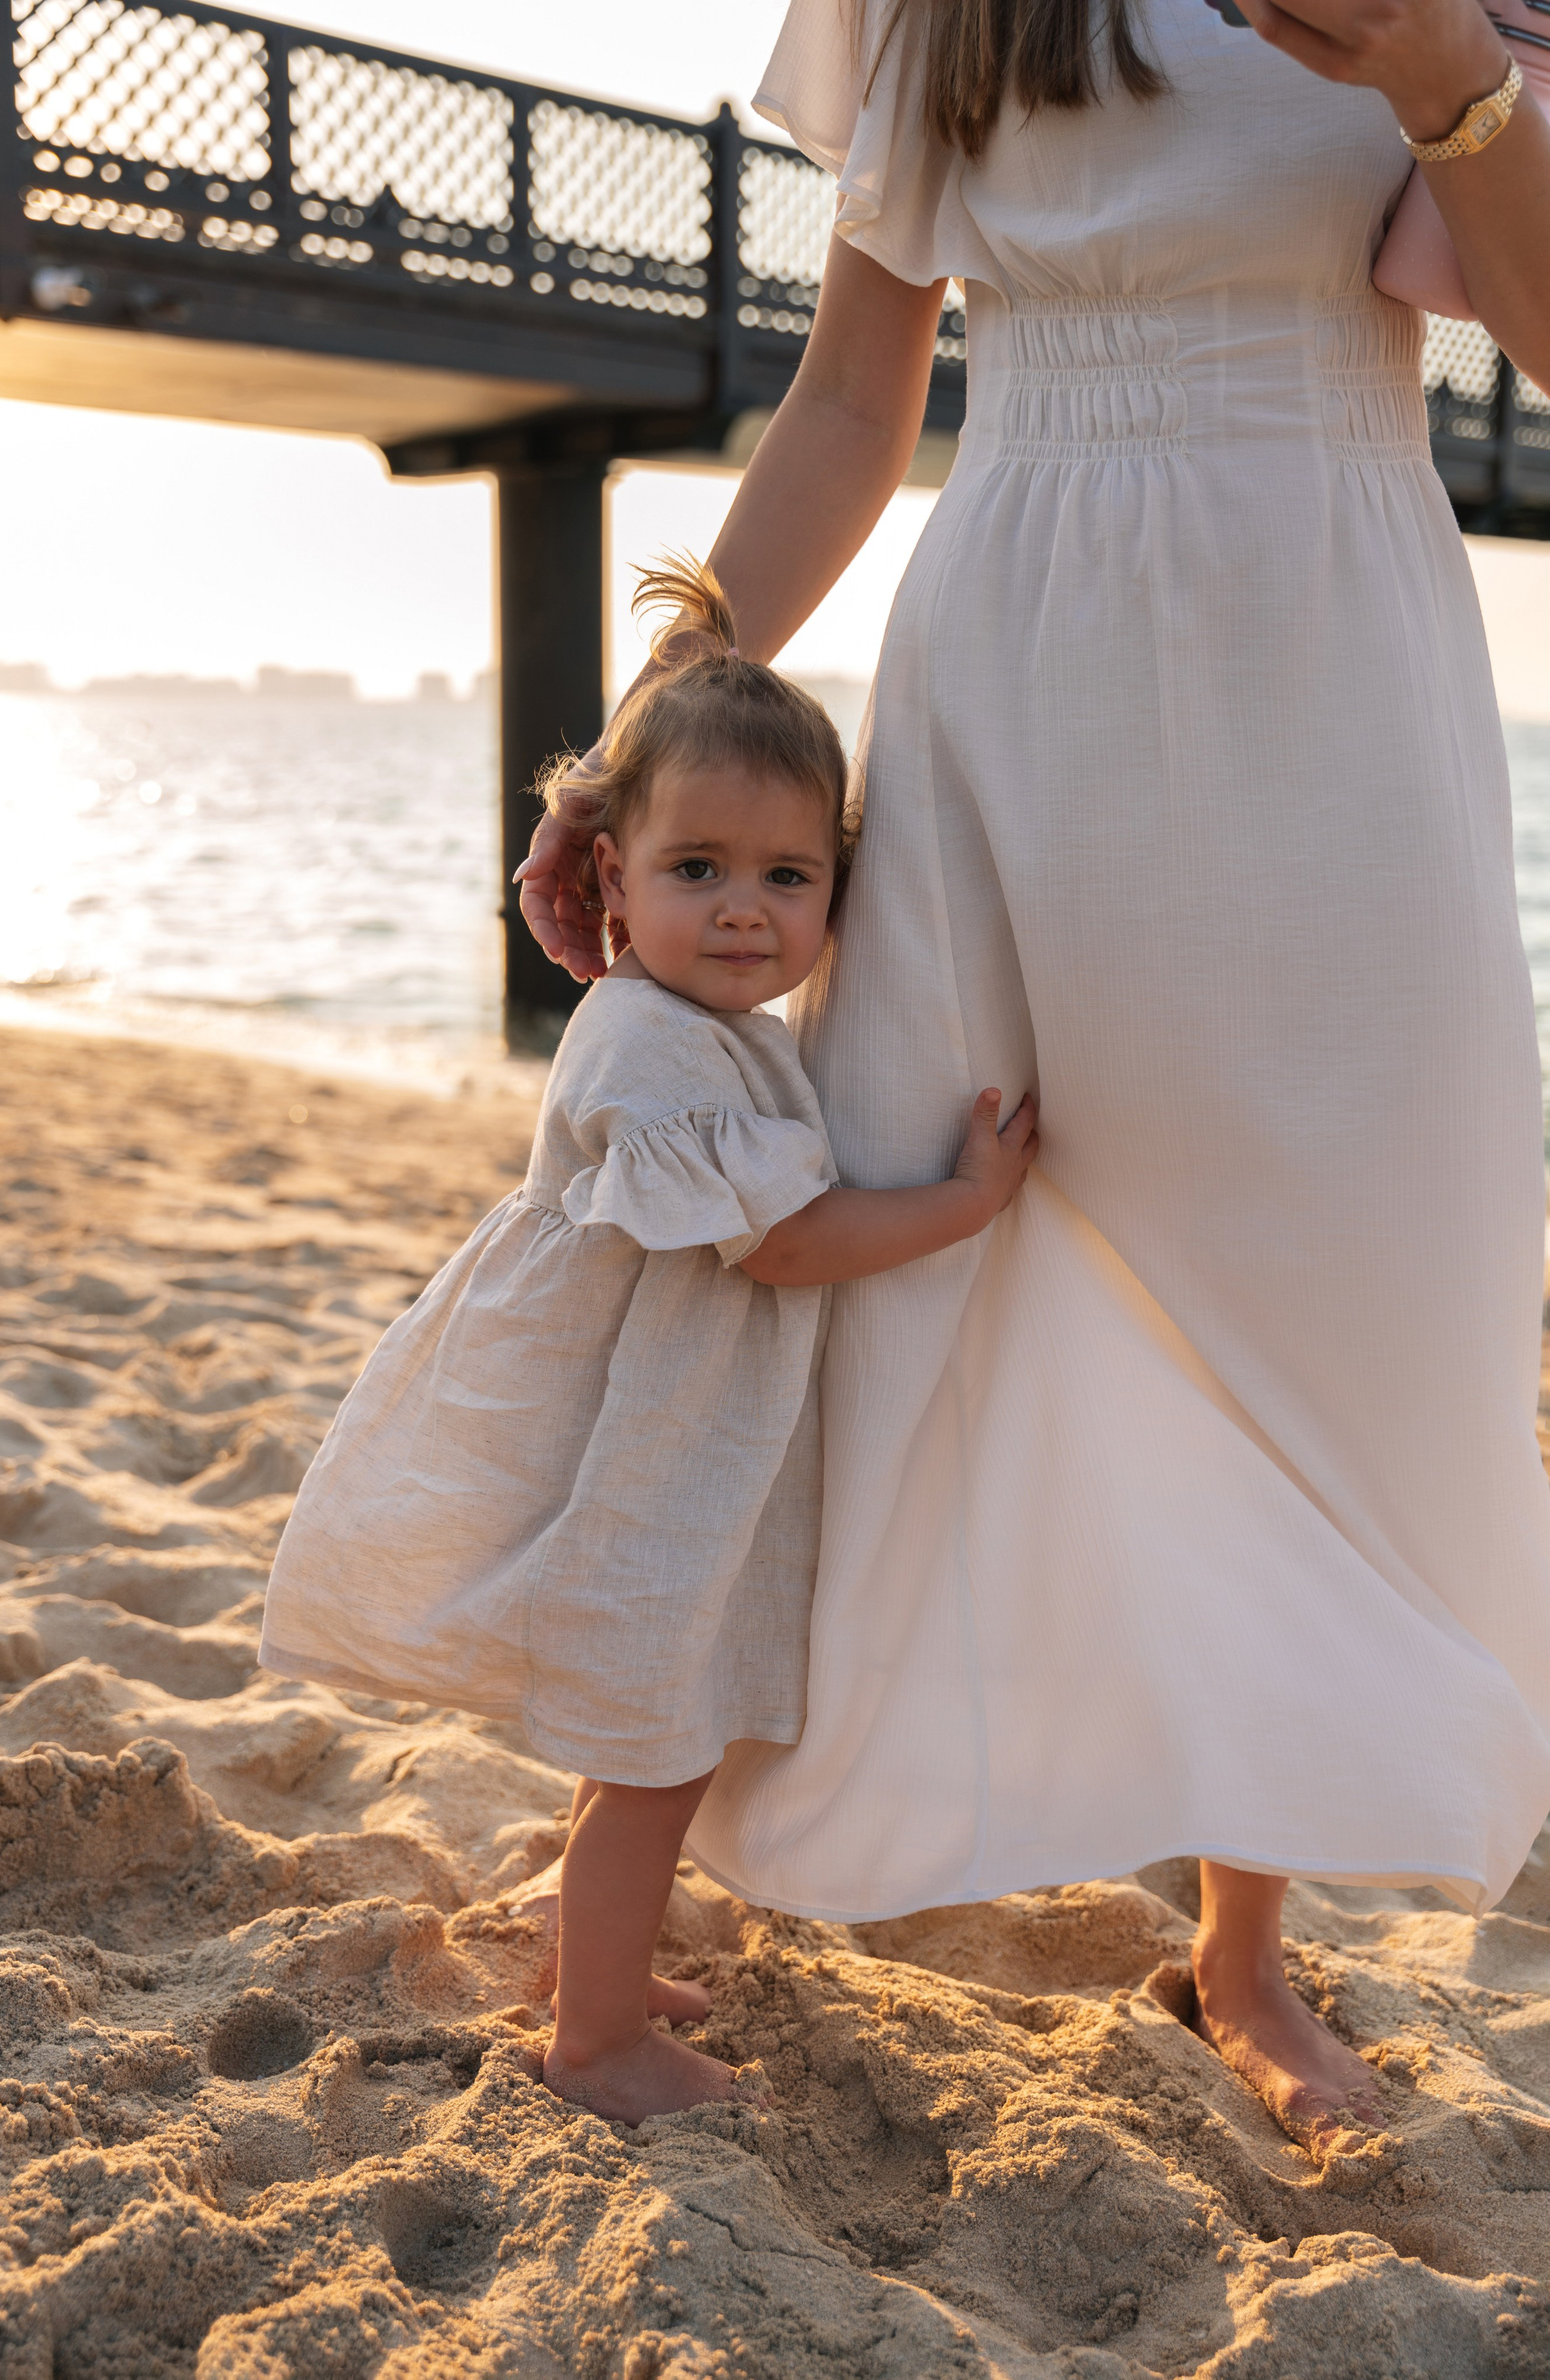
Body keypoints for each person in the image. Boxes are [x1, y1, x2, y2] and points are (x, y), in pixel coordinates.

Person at [517, 0, 1550, 2155]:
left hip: (1333, 666)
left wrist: (1451, 78)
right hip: (1011, 671)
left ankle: (1242, 1945)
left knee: (1328, 1304)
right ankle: (721, 1816)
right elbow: (851, 404)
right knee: (888, 1259)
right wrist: (641, 738)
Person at [260, 563, 1037, 2123]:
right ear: (609, 879)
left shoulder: (711, 1029)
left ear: (838, 887)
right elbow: (785, 1245)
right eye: (698, 868)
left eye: (787, 877)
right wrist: (962, 1204)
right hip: (641, 1447)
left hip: (661, 1424)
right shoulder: (647, 1043)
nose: (744, 908)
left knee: (642, 1730)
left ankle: (581, 1953)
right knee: (657, 1754)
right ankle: (598, 2038)